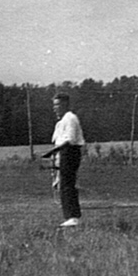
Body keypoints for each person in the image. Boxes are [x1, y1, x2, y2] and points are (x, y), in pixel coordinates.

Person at [41, 92, 85, 227]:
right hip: (62, 153)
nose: (55, 108)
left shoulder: (70, 118)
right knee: (62, 184)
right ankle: (69, 216)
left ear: (65, 104)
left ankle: (73, 217)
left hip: (70, 152)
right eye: (54, 105)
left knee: (67, 184)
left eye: (58, 105)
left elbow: (70, 140)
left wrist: (51, 152)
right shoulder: (61, 122)